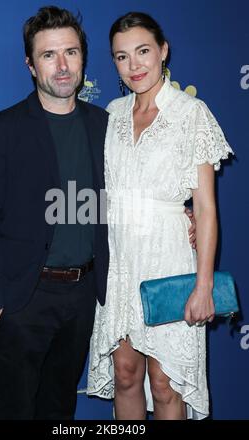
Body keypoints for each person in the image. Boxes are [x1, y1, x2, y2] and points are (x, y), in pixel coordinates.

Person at [0, 6, 109, 420]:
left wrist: (183, 216)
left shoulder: (105, 126)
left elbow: (132, 195)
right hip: (25, 298)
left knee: (59, 411)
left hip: (84, 297)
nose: (62, 65)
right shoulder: (2, 128)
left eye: (71, 52)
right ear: (30, 64)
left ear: (83, 58)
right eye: (49, 55)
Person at [87, 12, 233, 420]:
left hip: (167, 258)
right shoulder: (110, 114)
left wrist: (203, 285)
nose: (134, 65)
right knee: (126, 373)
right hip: (119, 262)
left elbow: (204, 208)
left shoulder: (191, 114)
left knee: (166, 383)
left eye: (143, 51)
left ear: (163, 51)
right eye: (121, 56)